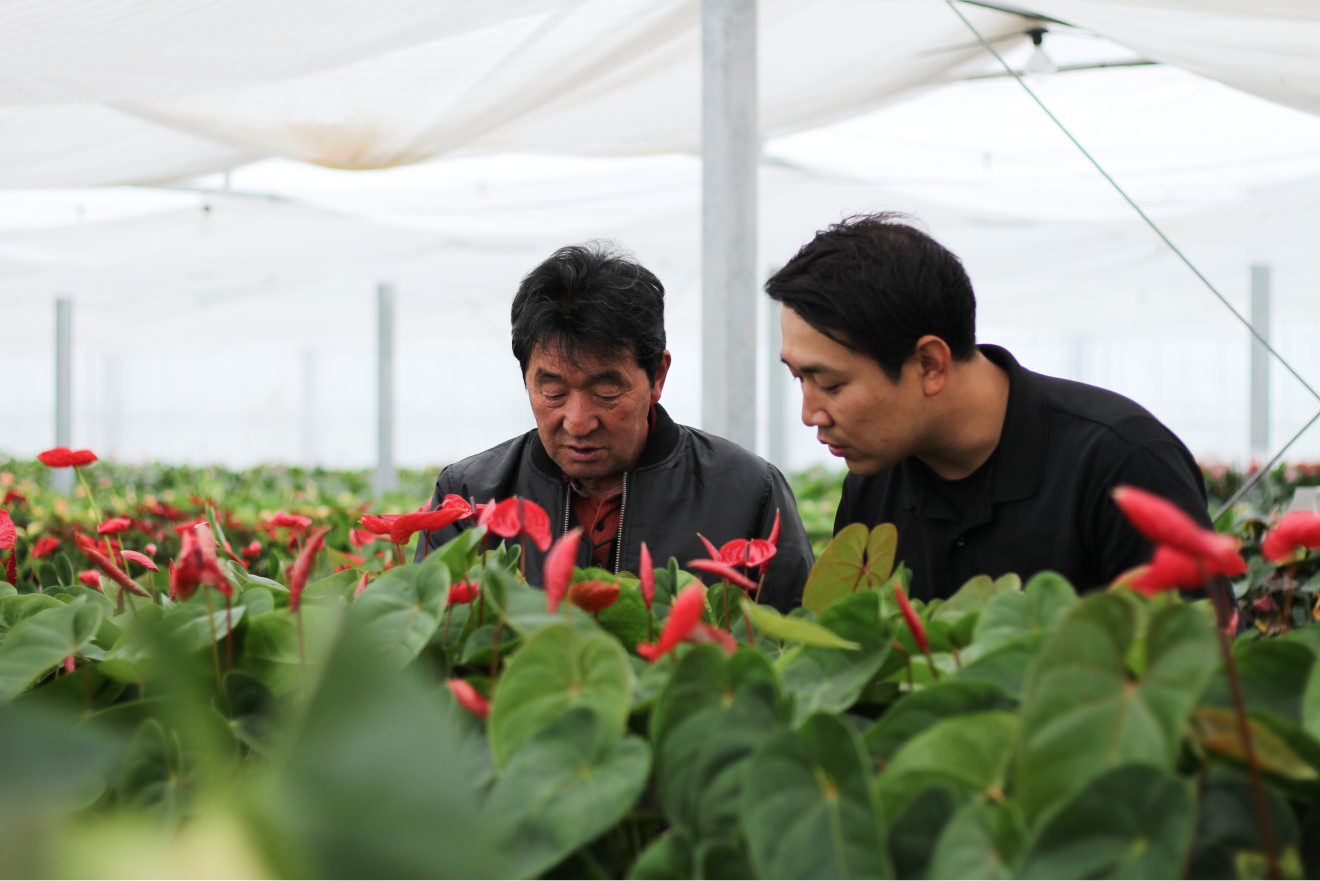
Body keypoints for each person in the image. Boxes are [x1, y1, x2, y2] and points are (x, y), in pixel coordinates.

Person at [766, 212, 1215, 602]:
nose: (810, 414)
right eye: (799, 378)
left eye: (830, 383)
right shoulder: (873, 486)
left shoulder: (1123, 464)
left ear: (929, 364)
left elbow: (1193, 660)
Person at [418, 242, 814, 612]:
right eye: (552, 391)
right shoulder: (468, 495)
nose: (577, 422)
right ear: (526, 379)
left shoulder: (748, 491)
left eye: (606, 391)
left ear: (657, 376)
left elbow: (791, 641)